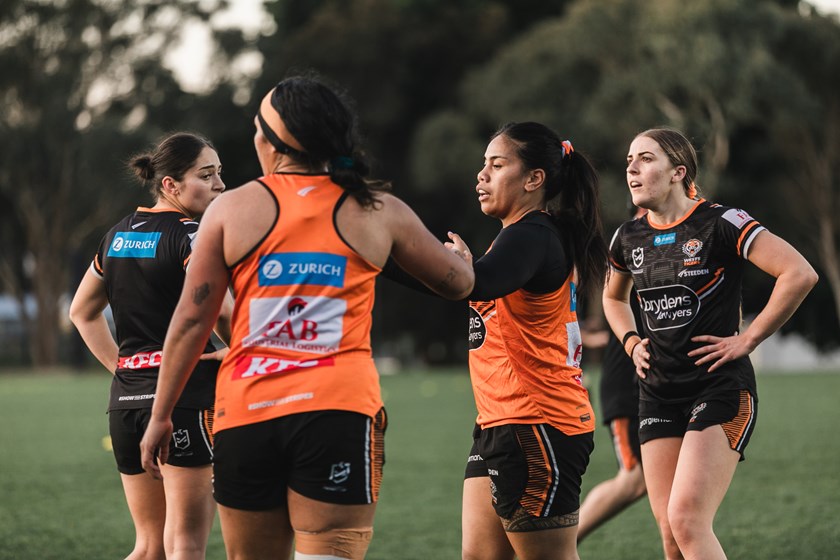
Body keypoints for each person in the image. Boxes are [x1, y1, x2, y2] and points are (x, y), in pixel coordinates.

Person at [138, 74, 475, 560]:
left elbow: (192, 321)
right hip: (338, 412)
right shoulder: (377, 209)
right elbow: (457, 284)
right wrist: (458, 258)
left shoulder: (229, 210)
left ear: (274, 143)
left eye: (258, 127)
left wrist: (161, 415)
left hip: (246, 414)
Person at [603, 127, 818, 560]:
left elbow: (799, 273)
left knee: (686, 520)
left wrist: (749, 339)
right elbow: (612, 297)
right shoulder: (627, 237)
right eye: (629, 159)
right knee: (670, 534)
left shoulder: (722, 222)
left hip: (719, 389)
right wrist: (630, 342)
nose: (632, 167)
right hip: (658, 394)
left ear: (678, 171)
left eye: (645, 158)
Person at [446, 122, 609, 560]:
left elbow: (481, 282)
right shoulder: (520, 234)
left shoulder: (532, 233)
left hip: (537, 423)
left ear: (534, 179)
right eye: (484, 165)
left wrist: (386, 245)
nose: (481, 175)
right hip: (499, 422)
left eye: (497, 165)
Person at [69, 132, 230, 560]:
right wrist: (241, 351)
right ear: (170, 185)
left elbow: (81, 313)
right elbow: (226, 311)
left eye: (220, 174)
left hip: (126, 404)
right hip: (184, 400)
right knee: (185, 547)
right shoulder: (193, 234)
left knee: (148, 548)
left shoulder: (117, 235)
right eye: (207, 175)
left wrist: (125, 370)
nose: (221, 185)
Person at [577, 207, 648, 543]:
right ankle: (560, 544)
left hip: (654, 387)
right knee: (634, 479)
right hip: (626, 388)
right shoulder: (635, 247)